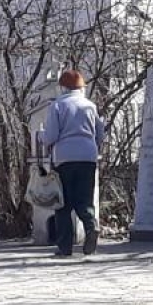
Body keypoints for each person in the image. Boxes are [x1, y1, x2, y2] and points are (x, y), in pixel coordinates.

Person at [42, 69, 105, 257]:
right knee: (84, 199)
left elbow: (51, 135)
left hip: (64, 158)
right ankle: (91, 227)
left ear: (63, 88)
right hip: (88, 157)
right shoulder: (90, 106)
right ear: (81, 88)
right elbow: (100, 134)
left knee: (63, 204)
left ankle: (65, 247)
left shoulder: (58, 106)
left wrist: (42, 138)